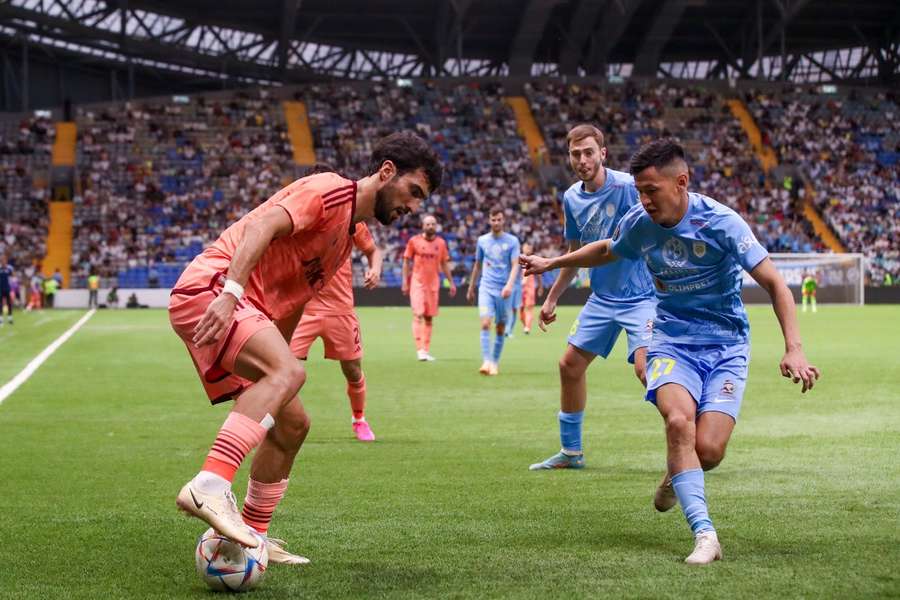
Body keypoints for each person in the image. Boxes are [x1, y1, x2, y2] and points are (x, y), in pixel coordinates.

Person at [520, 139, 820, 564]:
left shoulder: (722, 223)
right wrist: (553, 263)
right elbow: (608, 249)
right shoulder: (640, 221)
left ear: (681, 182)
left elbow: (774, 283)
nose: (643, 200)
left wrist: (795, 349)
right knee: (679, 421)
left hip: (725, 345)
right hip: (671, 340)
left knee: (710, 450)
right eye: (639, 191)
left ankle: (676, 476)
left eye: (651, 191)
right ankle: (705, 535)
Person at [168, 131, 441, 563]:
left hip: (243, 308)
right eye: (414, 192)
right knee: (290, 373)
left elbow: (291, 301)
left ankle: (252, 538)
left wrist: (275, 366)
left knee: (293, 423)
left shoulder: (346, 237)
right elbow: (261, 224)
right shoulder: (330, 189)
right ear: (387, 172)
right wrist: (231, 295)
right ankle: (210, 485)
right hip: (213, 290)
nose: (414, 207)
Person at [529, 124, 656, 471]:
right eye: (575, 154)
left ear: (603, 153)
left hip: (642, 296)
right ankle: (571, 452)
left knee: (648, 370)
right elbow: (576, 252)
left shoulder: (629, 188)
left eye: (588, 152)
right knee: (569, 365)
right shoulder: (571, 198)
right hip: (602, 298)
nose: (582, 160)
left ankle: (689, 441)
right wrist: (552, 297)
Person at [290, 220, 383, 442]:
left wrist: (375, 269)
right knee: (283, 369)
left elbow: (373, 251)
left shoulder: (351, 220)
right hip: (303, 310)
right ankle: (274, 420)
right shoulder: (298, 219)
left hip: (341, 310)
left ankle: (359, 419)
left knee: (352, 370)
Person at [466, 206, 520, 376]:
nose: (496, 222)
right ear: (489, 221)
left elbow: (515, 265)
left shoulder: (512, 241)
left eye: (499, 219)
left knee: (500, 327)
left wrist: (509, 285)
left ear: (503, 221)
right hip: (486, 287)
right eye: (493, 219)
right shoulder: (482, 241)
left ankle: (495, 362)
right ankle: (486, 361)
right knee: (485, 323)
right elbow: (477, 265)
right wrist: (471, 287)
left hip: (504, 290)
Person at [402, 214, 456, 361]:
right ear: (423, 226)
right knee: (418, 314)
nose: (430, 226)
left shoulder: (441, 243)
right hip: (417, 283)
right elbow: (406, 261)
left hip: (433, 285)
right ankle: (419, 350)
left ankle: (425, 350)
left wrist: (451, 282)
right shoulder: (414, 241)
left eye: (433, 224)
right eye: (428, 224)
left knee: (429, 317)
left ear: (436, 226)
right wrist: (404, 281)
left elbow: (444, 264)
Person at [518, 243, 544, 334]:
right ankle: (525, 325)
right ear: (523, 248)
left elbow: (539, 275)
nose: (528, 249)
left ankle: (527, 327)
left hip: (530, 288)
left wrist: (540, 287)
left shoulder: (534, 260)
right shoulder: (518, 259)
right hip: (519, 288)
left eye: (529, 247)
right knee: (520, 309)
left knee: (529, 307)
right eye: (526, 247)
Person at [0, 258, 13, 325]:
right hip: (0, 289)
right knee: (0, 304)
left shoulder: (9, 269)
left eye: (4, 261)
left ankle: (10, 318)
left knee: (9, 303)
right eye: (2, 261)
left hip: (7, 288)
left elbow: (12, 277)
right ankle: (1, 319)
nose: (3, 262)